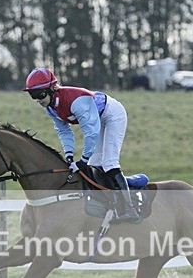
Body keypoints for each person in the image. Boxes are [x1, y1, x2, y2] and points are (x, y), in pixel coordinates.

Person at [23, 67, 141, 223]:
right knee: (94, 165)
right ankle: (112, 202)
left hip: (113, 115)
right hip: (98, 119)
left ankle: (130, 210)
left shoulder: (76, 101)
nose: (38, 100)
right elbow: (64, 132)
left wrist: (83, 160)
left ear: (52, 89)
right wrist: (69, 155)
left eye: (40, 94)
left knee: (109, 163)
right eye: (33, 95)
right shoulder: (51, 109)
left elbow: (91, 132)